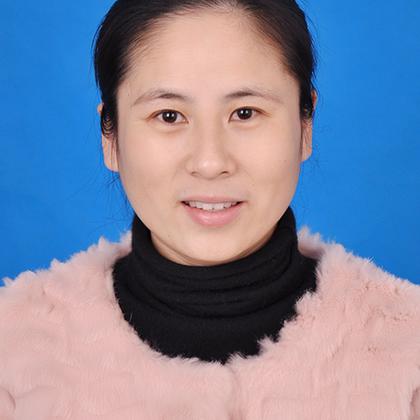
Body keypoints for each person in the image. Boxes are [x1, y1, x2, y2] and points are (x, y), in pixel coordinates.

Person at [1, 1, 419, 419]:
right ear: (110, 137)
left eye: (245, 113)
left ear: (304, 125)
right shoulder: (14, 354)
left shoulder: (407, 354)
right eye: (169, 116)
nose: (209, 161)